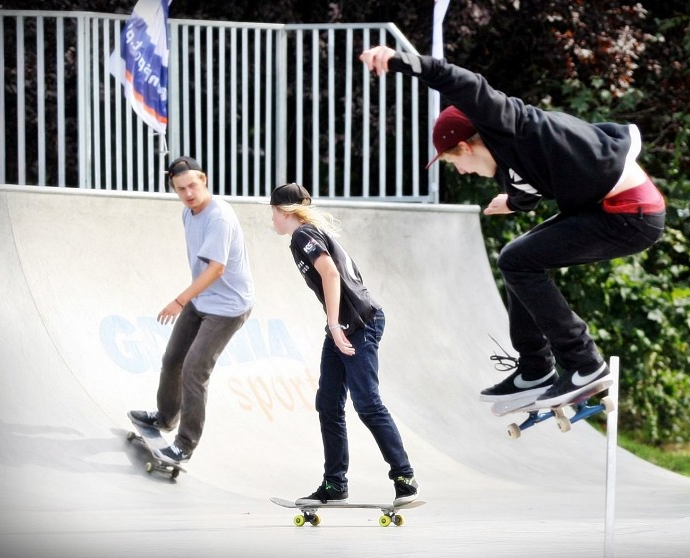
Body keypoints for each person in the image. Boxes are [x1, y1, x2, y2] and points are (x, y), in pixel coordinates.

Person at [359, 47, 666, 408]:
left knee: (520, 261)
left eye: (455, 162)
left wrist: (400, 61)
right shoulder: (512, 164)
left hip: (631, 212)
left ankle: (585, 363)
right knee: (514, 257)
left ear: (464, 146)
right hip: (611, 210)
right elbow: (531, 184)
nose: (461, 172)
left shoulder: (508, 122)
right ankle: (536, 368)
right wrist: (512, 201)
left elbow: (462, 82)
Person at [269, 182, 418, 507]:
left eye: (273, 214)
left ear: (281, 212)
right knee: (329, 403)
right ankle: (335, 483)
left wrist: (337, 323)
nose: (273, 221)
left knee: (367, 403)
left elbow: (331, 275)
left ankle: (404, 476)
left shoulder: (303, 235)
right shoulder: (316, 234)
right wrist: (336, 324)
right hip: (351, 323)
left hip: (357, 325)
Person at [129, 156, 255, 464]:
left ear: (205, 180)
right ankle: (165, 417)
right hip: (202, 301)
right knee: (172, 359)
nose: (188, 194)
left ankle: (185, 444)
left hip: (227, 307)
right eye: (180, 189)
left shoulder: (219, 216)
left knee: (194, 370)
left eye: (193, 186)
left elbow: (216, 268)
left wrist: (180, 300)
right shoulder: (189, 213)